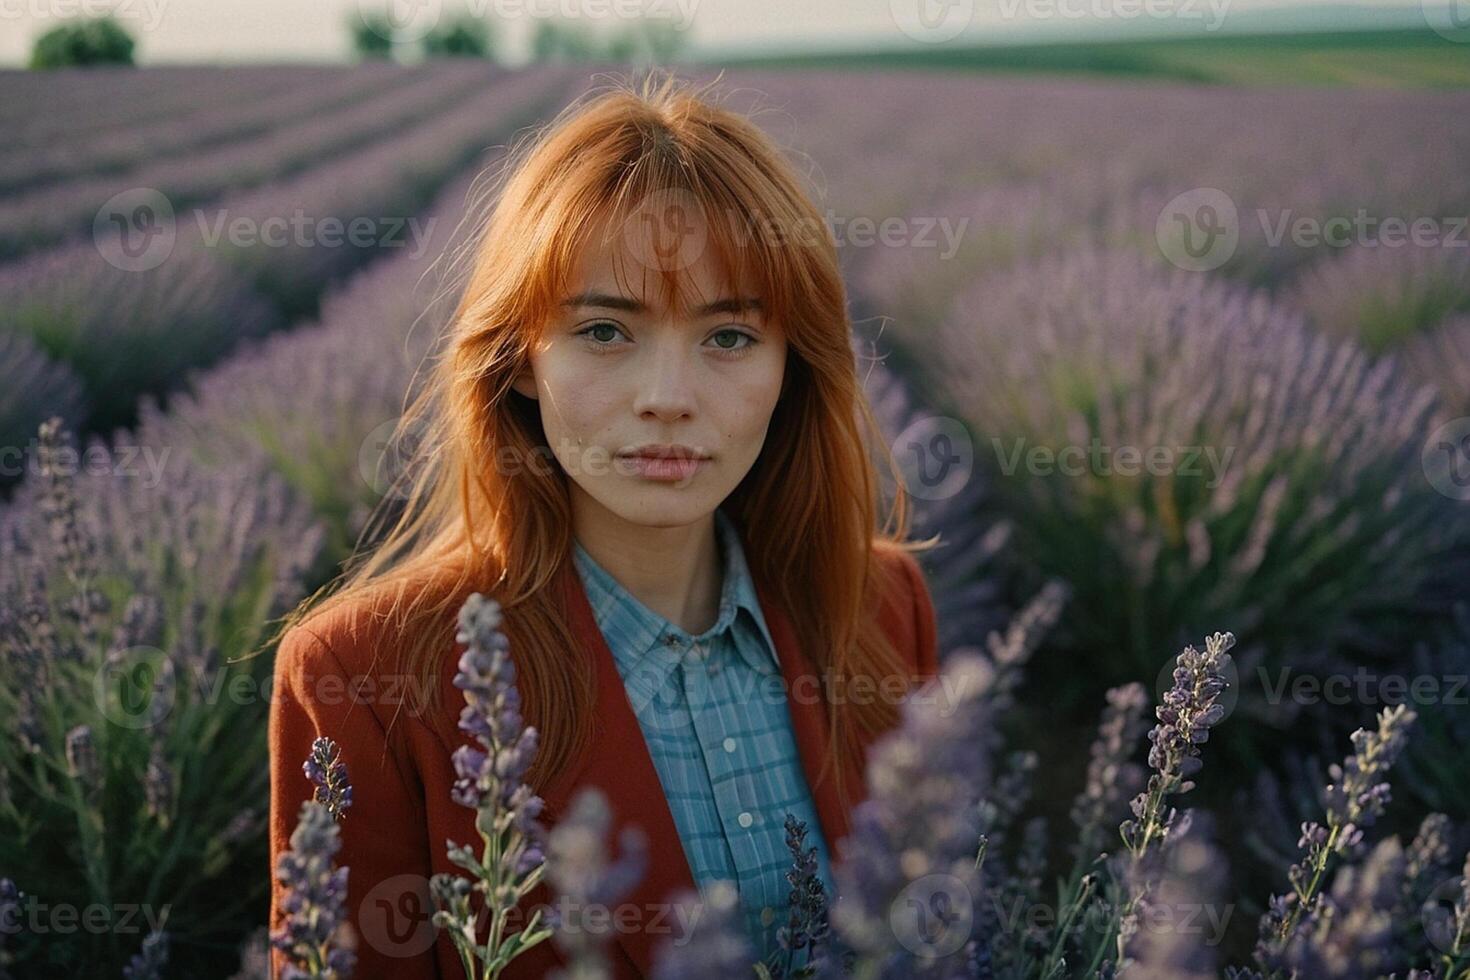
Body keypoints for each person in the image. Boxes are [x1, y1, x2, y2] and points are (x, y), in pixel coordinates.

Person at [267, 68, 940, 979]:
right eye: (604, 333)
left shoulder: (883, 603)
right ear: (520, 362)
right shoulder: (365, 677)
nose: (668, 399)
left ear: (793, 370)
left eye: (729, 337)